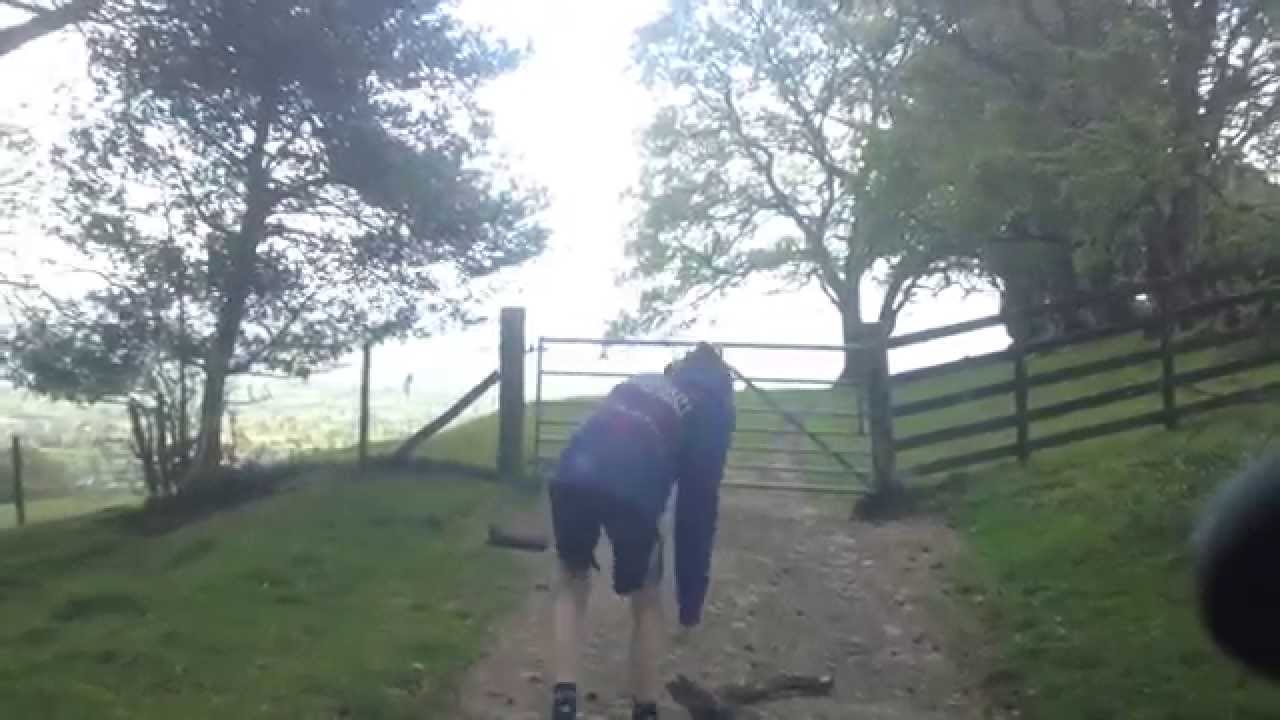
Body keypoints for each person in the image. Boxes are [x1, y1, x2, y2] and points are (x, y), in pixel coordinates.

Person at [547, 342, 736, 720]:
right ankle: (645, 707)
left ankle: (565, 701)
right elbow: (696, 511)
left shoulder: (647, 380)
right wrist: (690, 604)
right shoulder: (712, 412)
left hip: (572, 472)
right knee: (647, 597)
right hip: (633, 484)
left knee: (571, 579)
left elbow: (602, 429)